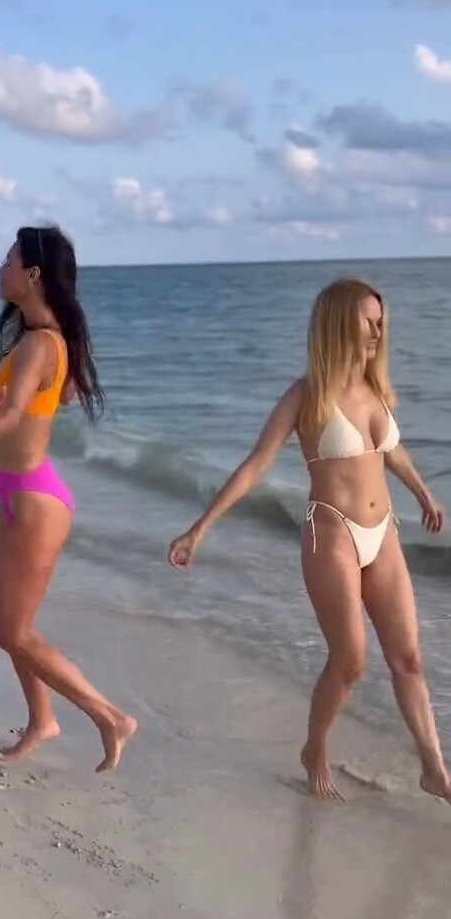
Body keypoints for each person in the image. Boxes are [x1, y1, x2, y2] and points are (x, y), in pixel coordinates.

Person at [168, 278, 449, 803]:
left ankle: (434, 768)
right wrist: (199, 528)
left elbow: (392, 451)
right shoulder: (306, 395)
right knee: (351, 659)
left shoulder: (375, 389)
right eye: (367, 321)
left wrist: (423, 493)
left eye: (381, 321)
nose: (377, 331)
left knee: (408, 659)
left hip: (383, 532)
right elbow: (256, 466)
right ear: (338, 323)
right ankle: (314, 748)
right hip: (331, 531)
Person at [0, 225, 137, 772]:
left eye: (9, 259)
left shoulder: (40, 343)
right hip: (17, 494)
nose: (2, 266)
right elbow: (46, 400)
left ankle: (110, 717)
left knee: (14, 632)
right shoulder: (43, 339)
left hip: (36, 500)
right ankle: (42, 721)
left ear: (33, 273)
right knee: (11, 629)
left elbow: (12, 413)